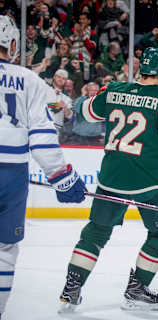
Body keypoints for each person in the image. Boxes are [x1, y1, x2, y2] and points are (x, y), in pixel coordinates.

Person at [57, 47, 158, 313]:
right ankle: (137, 288)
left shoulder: (115, 89)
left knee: (95, 232)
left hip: (111, 178)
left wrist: (108, 94)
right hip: (150, 182)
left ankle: (72, 286)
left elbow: (87, 112)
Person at [0, 15, 86, 318]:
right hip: (11, 175)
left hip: (12, 172)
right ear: (11, 45)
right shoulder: (28, 79)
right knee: (4, 249)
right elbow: (41, 137)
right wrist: (62, 177)